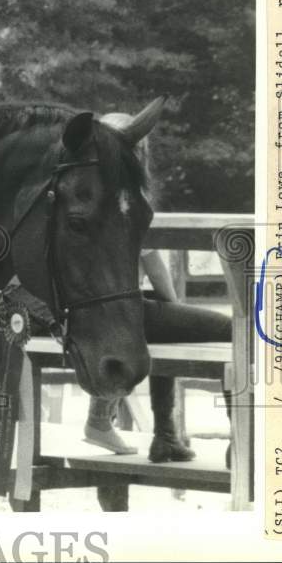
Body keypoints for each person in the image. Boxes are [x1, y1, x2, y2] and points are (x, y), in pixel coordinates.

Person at [82, 112, 196, 463]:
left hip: (91, 307)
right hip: (115, 307)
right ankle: (167, 435)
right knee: (227, 328)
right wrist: (172, 305)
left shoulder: (85, 190)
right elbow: (157, 271)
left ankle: (107, 421)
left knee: (152, 327)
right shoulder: (125, 198)